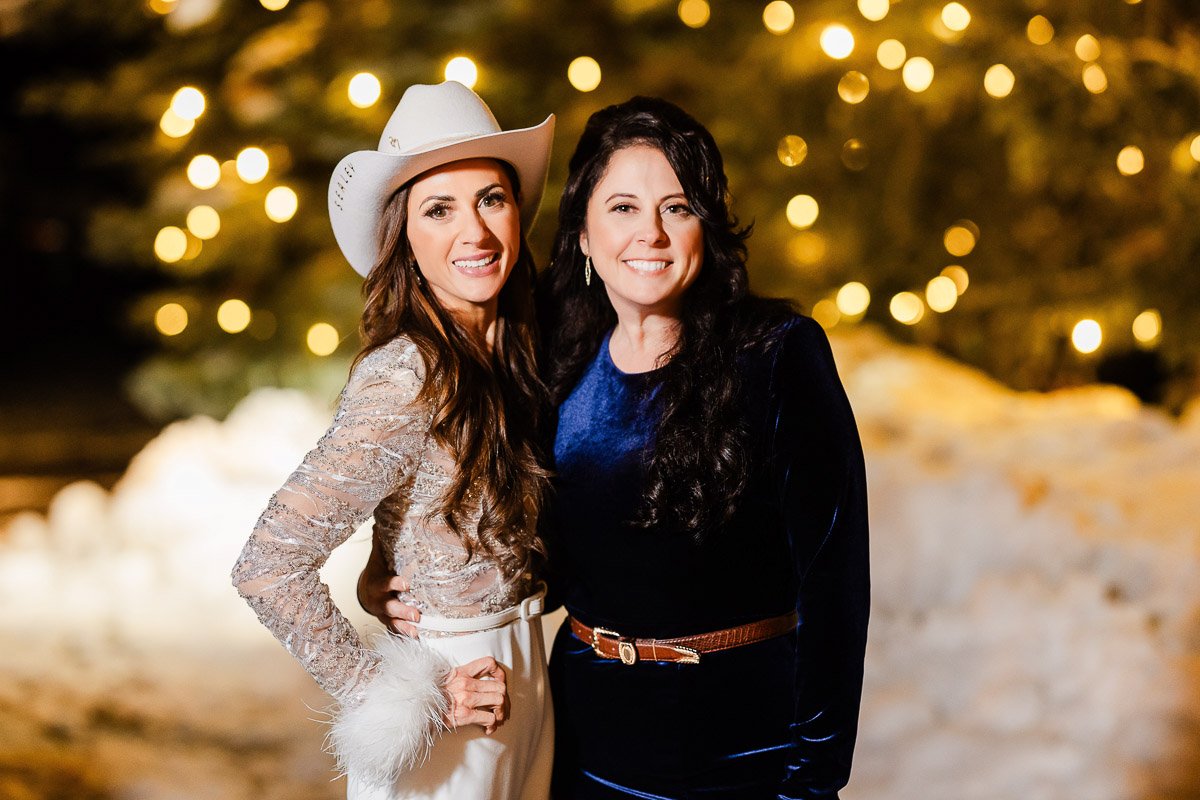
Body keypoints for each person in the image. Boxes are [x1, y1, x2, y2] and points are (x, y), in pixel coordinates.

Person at [362, 96, 870, 799]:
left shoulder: (778, 355)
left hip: (743, 746)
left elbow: (836, 587)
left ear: (707, 228)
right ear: (583, 236)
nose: (651, 235)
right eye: (624, 208)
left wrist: (812, 777)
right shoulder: (558, 359)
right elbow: (487, 516)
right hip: (584, 744)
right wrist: (385, 574)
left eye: (678, 207)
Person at [231, 81, 557, 800]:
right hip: (454, 708)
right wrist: (403, 694)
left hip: (528, 684)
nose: (473, 231)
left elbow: (433, 505)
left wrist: (382, 563)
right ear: (404, 237)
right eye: (438, 209)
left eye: (490, 198)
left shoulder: (516, 353)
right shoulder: (407, 373)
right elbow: (267, 565)